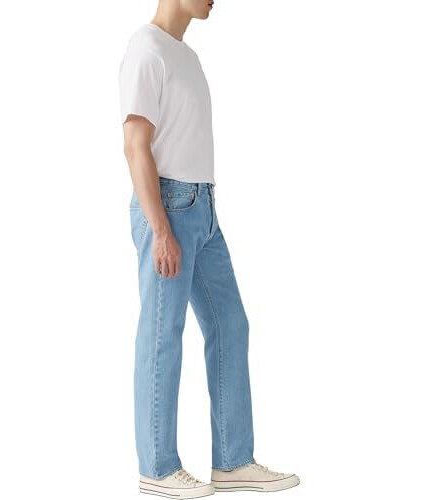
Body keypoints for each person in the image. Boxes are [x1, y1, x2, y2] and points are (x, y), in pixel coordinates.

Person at [118, 1, 300, 497]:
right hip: (169, 207)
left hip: (203, 210)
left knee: (230, 324)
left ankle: (233, 460)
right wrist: (160, 229)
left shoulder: (186, 56)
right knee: (162, 335)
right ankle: (158, 467)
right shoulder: (146, 48)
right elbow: (135, 145)